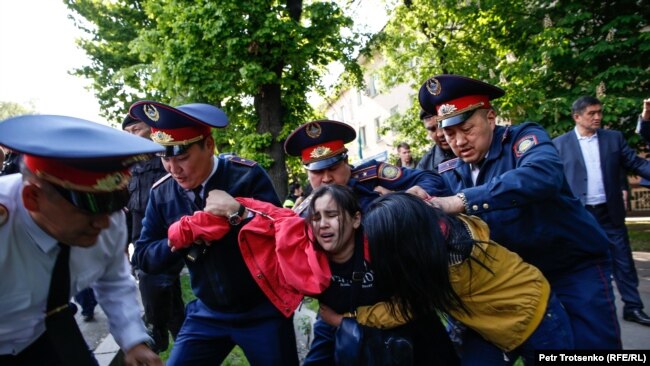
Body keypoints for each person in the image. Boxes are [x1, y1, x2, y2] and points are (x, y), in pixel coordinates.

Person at [420, 75, 620, 349]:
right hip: (516, 279)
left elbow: (542, 175)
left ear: (491, 118)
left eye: (466, 129)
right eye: (449, 134)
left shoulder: (523, 138)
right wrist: (416, 191)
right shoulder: (452, 168)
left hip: (572, 266)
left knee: (593, 348)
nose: (458, 141)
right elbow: (428, 184)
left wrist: (463, 200)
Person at [128, 101, 298, 365]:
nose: (173, 169)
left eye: (182, 157)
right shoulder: (161, 193)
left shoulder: (246, 176)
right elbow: (143, 257)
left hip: (262, 311)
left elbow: (285, 235)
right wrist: (177, 240)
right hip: (208, 312)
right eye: (165, 157)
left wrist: (240, 215)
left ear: (208, 145)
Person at [0, 114, 162, 366]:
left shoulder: (107, 218)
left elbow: (114, 280)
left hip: (45, 335)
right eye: (87, 209)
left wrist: (133, 341)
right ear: (32, 198)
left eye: (113, 206)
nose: (104, 224)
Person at [364, 192, 574, 365]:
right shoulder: (444, 230)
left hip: (539, 321)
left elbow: (402, 309)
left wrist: (346, 316)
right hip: (493, 325)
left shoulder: (450, 264)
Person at [302, 185, 458, 365]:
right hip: (355, 342)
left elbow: (413, 305)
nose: (322, 224)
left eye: (331, 215)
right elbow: (326, 320)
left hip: (415, 339)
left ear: (356, 219)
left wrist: (344, 321)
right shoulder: (313, 262)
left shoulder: (383, 245)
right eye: (316, 218)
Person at [553, 96, 650, 327]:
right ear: (577, 117)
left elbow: (636, 163)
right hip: (579, 216)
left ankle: (633, 307)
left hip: (609, 213)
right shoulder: (559, 145)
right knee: (577, 263)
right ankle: (579, 311)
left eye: (599, 112)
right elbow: (553, 180)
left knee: (623, 262)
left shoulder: (613, 139)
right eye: (591, 113)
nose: (597, 117)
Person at [284, 119, 451, 214]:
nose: (327, 178)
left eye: (333, 168)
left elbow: (430, 178)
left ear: (346, 161)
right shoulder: (303, 213)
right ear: (307, 172)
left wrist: (410, 198)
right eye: (318, 172)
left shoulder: (373, 174)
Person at [122, 114, 186, 352]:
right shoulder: (129, 164)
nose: (132, 136)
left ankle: (158, 330)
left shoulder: (168, 157)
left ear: (152, 129)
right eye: (127, 132)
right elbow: (128, 207)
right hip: (141, 234)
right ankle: (179, 334)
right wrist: (123, 244)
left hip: (168, 231)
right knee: (163, 287)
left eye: (136, 129)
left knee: (157, 280)